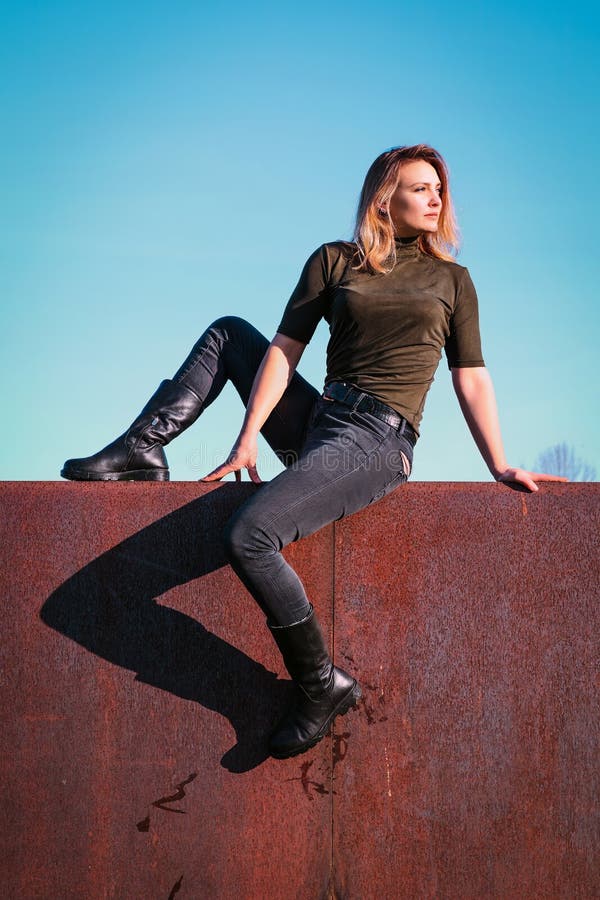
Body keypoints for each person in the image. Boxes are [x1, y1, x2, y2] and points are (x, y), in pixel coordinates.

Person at [61, 144, 565, 760]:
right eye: (421, 187)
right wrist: (250, 435)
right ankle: (142, 447)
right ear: (386, 197)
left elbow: (472, 376)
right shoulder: (333, 261)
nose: (436, 199)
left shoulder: (451, 281)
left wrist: (499, 462)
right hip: (323, 421)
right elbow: (283, 352)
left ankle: (320, 683)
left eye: (440, 189)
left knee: (248, 535)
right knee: (231, 335)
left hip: (378, 440)